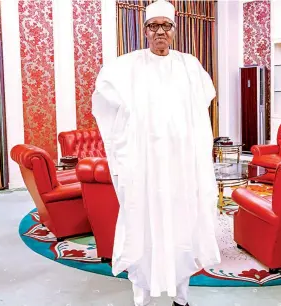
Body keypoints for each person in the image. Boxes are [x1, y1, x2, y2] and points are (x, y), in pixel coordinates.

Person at [91, 0, 221, 305]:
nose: (159, 31)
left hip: (180, 167)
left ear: (175, 30)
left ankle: (181, 296)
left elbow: (203, 104)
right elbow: (104, 94)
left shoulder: (190, 66)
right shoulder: (128, 66)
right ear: (145, 31)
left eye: (166, 25)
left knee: (182, 226)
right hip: (144, 167)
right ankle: (143, 298)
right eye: (153, 26)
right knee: (142, 226)